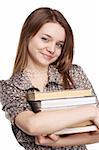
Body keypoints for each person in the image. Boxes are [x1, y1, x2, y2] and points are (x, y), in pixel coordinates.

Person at [0, 7, 99, 150]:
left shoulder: (73, 74)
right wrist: (90, 111)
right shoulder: (10, 87)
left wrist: (57, 142)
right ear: (28, 35)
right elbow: (32, 125)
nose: (52, 49)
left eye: (59, 45)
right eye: (45, 39)